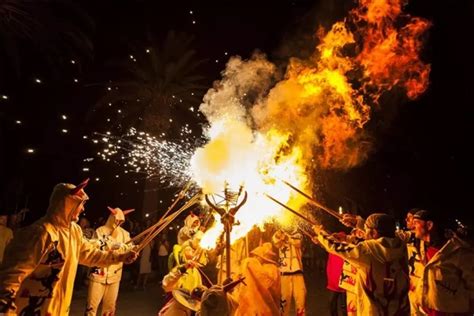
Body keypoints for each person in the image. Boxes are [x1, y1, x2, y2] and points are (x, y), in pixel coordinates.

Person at [0, 179, 137, 316]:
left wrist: (120, 257)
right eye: (80, 204)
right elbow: (10, 278)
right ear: (67, 204)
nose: (83, 209)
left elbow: (90, 254)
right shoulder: (41, 233)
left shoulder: (74, 231)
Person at [313, 213, 410, 316]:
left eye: (366, 229)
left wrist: (321, 233)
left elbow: (336, 247)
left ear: (373, 232)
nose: (364, 233)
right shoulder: (402, 245)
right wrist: (355, 227)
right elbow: (383, 237)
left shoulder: (367, 250)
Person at [412, 211, 474, 315]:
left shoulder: (458, 251)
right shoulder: (421, 247)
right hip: (424, 311)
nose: (412, 227)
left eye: (416, 222)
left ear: (429, 225)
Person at [85, 207, 135, 316]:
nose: (118, 222)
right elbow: (97, 248)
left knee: (110, 308)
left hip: (115, 276)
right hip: (98, 273)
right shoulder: (100, 231)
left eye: (121, 221)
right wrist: (115, 246)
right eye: (117, 219)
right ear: (111, 217)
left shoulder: (125, 234)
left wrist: (131, 255)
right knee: (91, 307)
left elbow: (129, 250)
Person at [234, 242, 281, 316]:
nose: (254, 258)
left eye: (256, 256)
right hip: (252, 304)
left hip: (253, 304)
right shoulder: (251, 263)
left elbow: (268, 285)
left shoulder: (269, 268)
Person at [273, 229, 306, 316]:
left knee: (301, 300)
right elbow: (276, 243)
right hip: (284, 273)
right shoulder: (278, 233)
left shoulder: (297, 235)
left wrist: (286, 237)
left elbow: (297, 243)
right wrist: (281, 237)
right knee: (284, 301)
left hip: (297, 272)